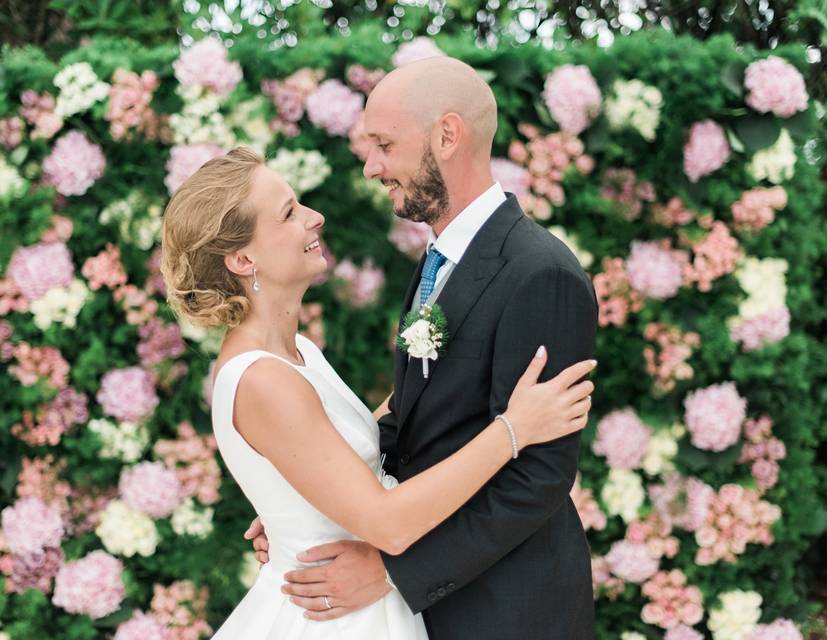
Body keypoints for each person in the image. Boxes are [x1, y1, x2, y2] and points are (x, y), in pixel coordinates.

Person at [160, 145, 596, 639]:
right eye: (288, 213)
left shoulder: (295, 352)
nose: (314, 217)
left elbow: (340, 445)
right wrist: (514, 430)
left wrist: (298, 504)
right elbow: (387, 525)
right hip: (338, 615)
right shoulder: (262, 379)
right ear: (242, 258)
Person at [247, 56, 599, 639]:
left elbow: (537, 480)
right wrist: (309, 512)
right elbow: (415, 426)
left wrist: (392, 571)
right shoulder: (440, 261)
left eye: (384, 144)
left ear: (447, 135)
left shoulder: (542, 274)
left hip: (507, 609)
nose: (370, 167)